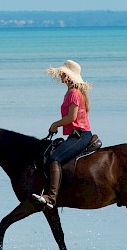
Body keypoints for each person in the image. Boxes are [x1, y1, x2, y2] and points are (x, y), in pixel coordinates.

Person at [32, 60, 93, 210]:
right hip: (75, 134)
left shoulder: (73, 93)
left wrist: (55, 124)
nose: (61, 76)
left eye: (63, 74)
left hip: (81, 135)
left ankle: (51, 197)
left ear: (68, 76)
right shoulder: (71, 91)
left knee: (54, 158)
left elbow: (71, 118)